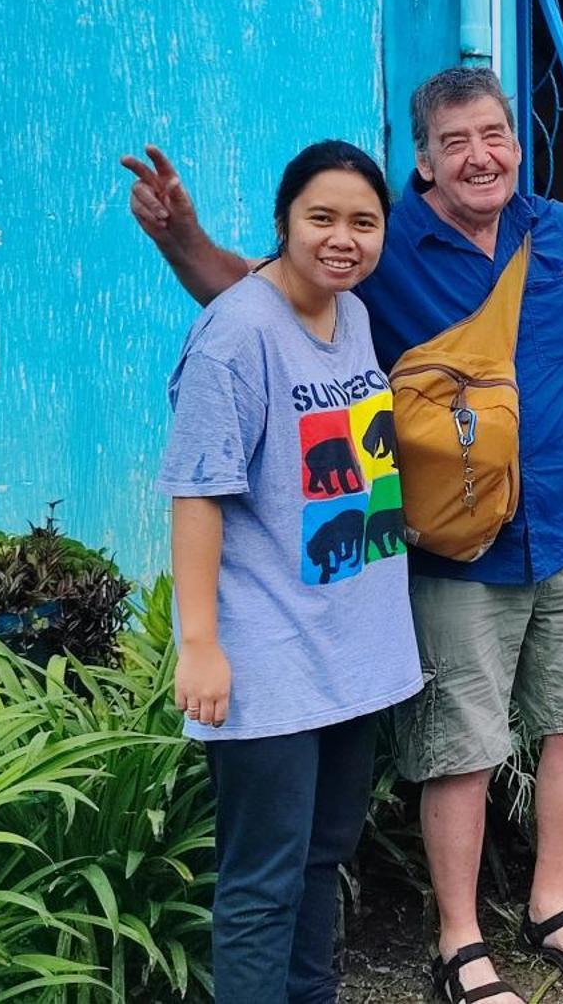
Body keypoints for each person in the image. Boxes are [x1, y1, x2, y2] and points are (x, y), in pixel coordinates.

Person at [124, 67, 563, 1003]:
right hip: (457, 551)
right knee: (462, 746)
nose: (478, 154)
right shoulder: (380, 244)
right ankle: (458, 940)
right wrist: (181, 238)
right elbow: (251, 293)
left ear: (516, 141)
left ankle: (551, 904)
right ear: (423, 159)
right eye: (454, 141)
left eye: (492, 133)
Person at [156, 140, 423, 1003]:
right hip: (269, 652)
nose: (342, 238)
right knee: (263, 879)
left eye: (363, 221)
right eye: (322, 218)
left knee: (323, 855)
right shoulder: (235, 334)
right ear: (283, 223)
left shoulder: (353, 315)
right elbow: (197, 492)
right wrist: (198, 642)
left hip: (351, 649)